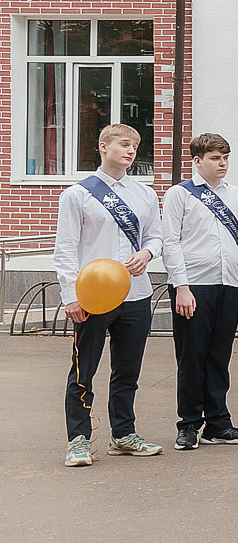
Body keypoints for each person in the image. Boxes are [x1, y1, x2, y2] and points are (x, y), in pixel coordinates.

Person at [56, 123, 165, 466]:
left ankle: (123, 433)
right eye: (123, 144)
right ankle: (78, 439)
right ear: (103, 147)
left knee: (127, 371)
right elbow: (65, 249)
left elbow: (156, 238)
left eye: (135, 146)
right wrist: (70, 296)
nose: (130, 151)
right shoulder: (78, 194)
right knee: (82, 370)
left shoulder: (145, 194)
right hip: (93, 296)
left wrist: (147, 254)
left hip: (136, 294)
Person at [162, 132, 238, 450]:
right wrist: (181, 285)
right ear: (197, 161)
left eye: (225, 157)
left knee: (219, 357)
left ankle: (218, 423)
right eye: (215, 158)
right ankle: (188, 424)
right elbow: (170, 242)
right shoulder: (179, 195)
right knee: (191, 357)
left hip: (229, 284)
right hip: (193, 285)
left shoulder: (235, 195)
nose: (222, 163)